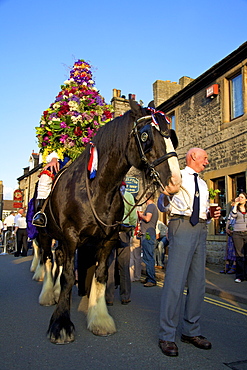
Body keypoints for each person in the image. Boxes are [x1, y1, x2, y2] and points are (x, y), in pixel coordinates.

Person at [31, 59, 113, 227]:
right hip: (65, 158)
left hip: (89, 159)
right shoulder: (60, 110)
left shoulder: (97, 112)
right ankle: (41, 213)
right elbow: (51, 139)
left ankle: (118, 217)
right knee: (45, 177)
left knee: (116, 181)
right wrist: (53, 159)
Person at [157, 147, 221, 357]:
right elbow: (162, 202)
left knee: (197, 283)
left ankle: (190, 331)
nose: (207, 161)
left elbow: (200, 210)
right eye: (205, 157)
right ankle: (167, 335)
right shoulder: (177, 176)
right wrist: (167, 194)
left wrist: (211, 215)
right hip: (181, 225)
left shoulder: (202, 184)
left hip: (201, 228)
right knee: (175, 282)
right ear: (193, 156)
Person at [106, 181, 137, 305]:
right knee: (124, 266)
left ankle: (109, 298)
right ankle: (125, 296)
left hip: (111, 231)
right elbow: (134, 215)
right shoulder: (129, 196)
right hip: (125, 231)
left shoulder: (110, 194)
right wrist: (133, 229)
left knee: (110, 265)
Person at [138, 192, 158, 287]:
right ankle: (148, 277)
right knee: (147, 257)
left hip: (148, 235)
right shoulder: (153, 207)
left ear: (147, 198)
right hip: (148, 235)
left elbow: (147, 218)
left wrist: (140, 215)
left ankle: (151, 279)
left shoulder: (151, 207)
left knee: (149, 257)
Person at [230, 192, 247, 283]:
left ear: (246, 199)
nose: (240, 198)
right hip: (237, 233)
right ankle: (240, 276)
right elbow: (233, 216)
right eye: (239, 197)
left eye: (242, 197)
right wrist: (235, 205)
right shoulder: (236, 208)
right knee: (239, 255)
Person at [220, 205, 236, 274]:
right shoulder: (233, 209)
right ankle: (227, 266)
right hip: (230, 229)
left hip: (237, 230)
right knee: (228, 248)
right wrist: (227, 228)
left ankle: (234, 266)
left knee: (235, 249)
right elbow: (229, 219)